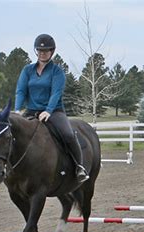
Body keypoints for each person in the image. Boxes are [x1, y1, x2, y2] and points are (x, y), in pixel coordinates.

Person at [14, 33, 88, 184]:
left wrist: (48, 110)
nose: (42, 53)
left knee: (67, 134)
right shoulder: (27, 70)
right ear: (36, 52)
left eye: (46, 51)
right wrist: (16, 110)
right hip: (31, 111)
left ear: (52, 52)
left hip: (54, 112)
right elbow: (21, 91)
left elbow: (56, 93)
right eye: (40, 51)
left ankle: (79, 167)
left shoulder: (57, 71)